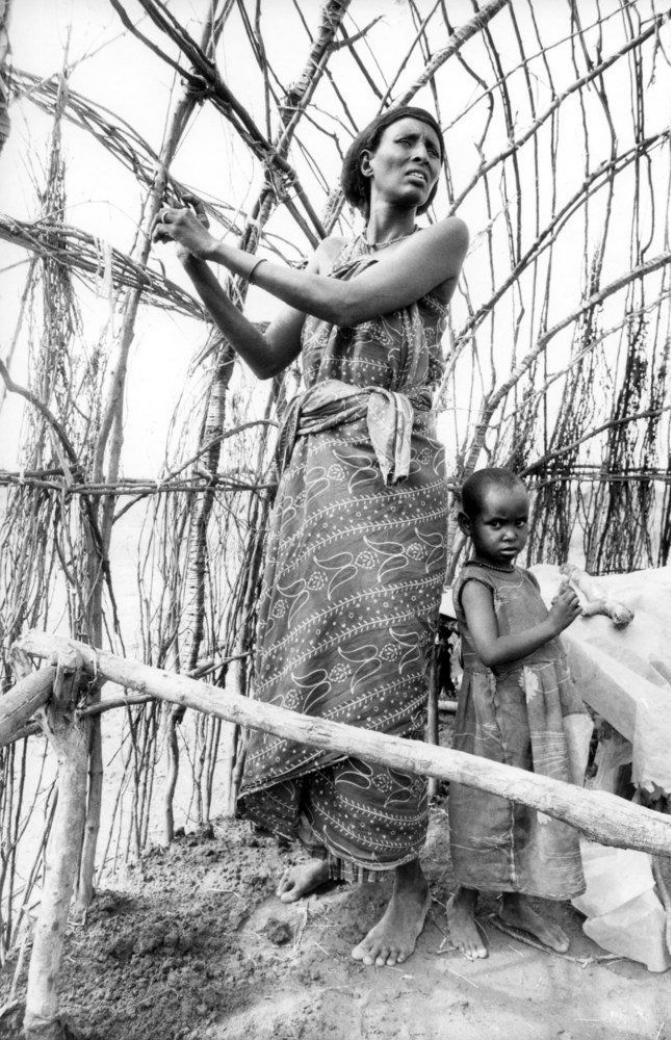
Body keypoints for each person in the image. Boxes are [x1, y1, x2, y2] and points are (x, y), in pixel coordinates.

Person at [152, 107, 469, 967]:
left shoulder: (444, 239)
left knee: (387, 670)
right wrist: (201, 272)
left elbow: (345, 302)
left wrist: (226, 249)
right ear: (367, 161)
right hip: (319, 478)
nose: (423, 158)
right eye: (406, 144)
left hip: (393, 484)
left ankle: (404, 885)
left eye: (434, 150)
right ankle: (336, 851)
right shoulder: (327, 247)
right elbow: (264, 354)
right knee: (321, 664)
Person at [447, 467, 588, 960]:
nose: (511, 535)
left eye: (521, 523)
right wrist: (552, 624)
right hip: (491, 718)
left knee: (526, 804)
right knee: (485, 807)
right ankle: (462, 901)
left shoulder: (522, 576)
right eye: (497, 524)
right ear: (468, 526)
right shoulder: (474, 582)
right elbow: (489, 651)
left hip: (529, 717)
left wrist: (565, 615)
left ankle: (513, 903)